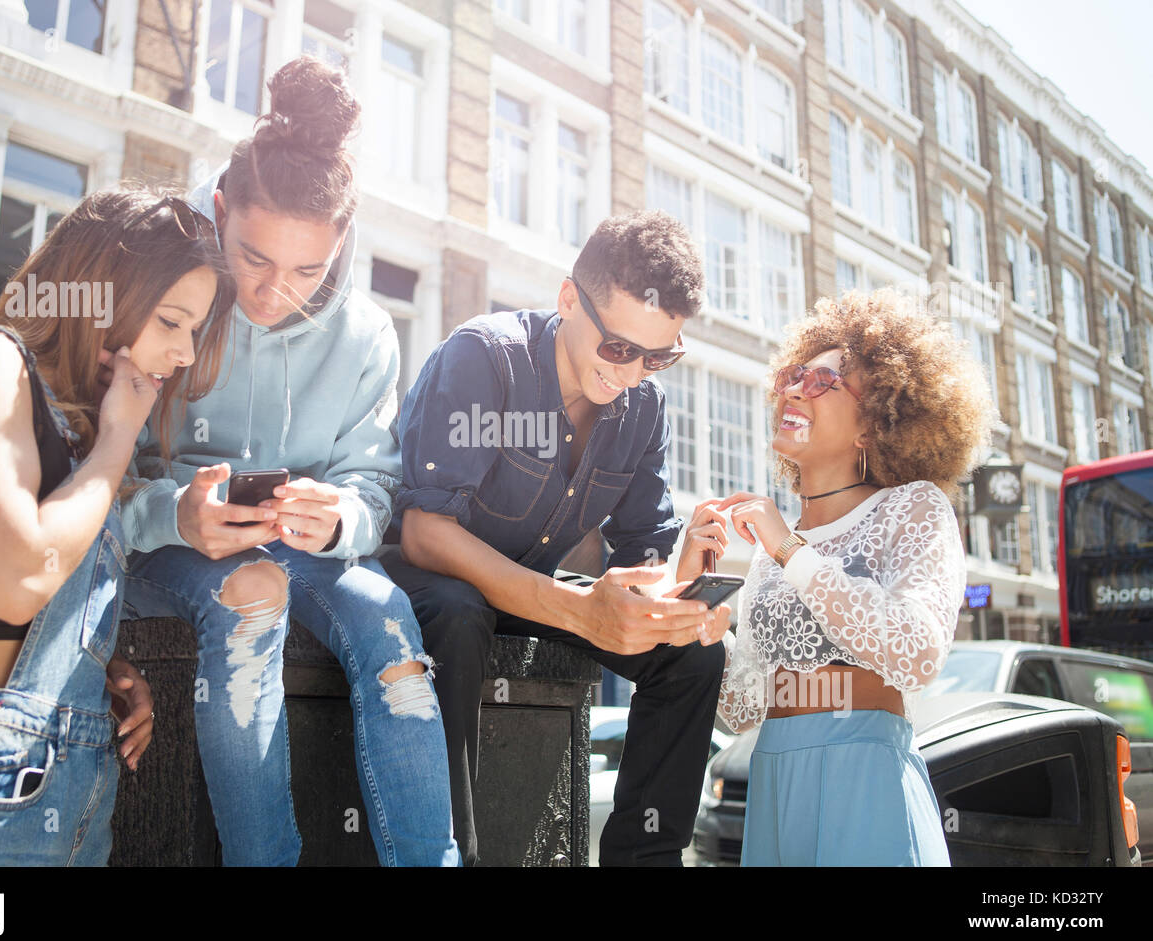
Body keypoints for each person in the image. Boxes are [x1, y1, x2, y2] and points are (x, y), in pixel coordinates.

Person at [118, 56, 458, 866]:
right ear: (223, 209)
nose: (275, 292)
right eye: (255, 258)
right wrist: (175, 513)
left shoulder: (369, 333)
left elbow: (375, 488)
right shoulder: (161, 290)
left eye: (307, 270)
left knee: (389, 621)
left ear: (340, 239)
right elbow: (92, 466)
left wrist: (340, 515)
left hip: (308, 554)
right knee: (250, 598)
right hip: (166, 551)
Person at [0, 187, 235, 865]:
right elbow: (16, 576)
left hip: (76, 794)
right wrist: (118, 442)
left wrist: (88, 671)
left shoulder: (82, 437)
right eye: (173, 321)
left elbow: (10, 603)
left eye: (194, 332)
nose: (182, 354)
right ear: (103, 289)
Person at [383, 211, 729, 866]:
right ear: (569, 298)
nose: (630, 376)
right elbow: (426, 533)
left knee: (695, 658)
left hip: (533, 587)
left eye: (658, 357)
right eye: (619, 348)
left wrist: (681, 602)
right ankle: (449, 854)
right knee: (460, 611)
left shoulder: (645, 407)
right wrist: (577, 607)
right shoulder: (485, 356)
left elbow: (642, 553)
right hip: (428, 578)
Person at [685, 288, 995, 866]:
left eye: (825, 381)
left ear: (871, 428)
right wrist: (700, 616)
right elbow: (746, 707)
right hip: (774, 782)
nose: (797, 387)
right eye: (796, 375)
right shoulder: (770, 556)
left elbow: (916, 651)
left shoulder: (913, 509)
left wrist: (790, 551)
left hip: (866, 778)